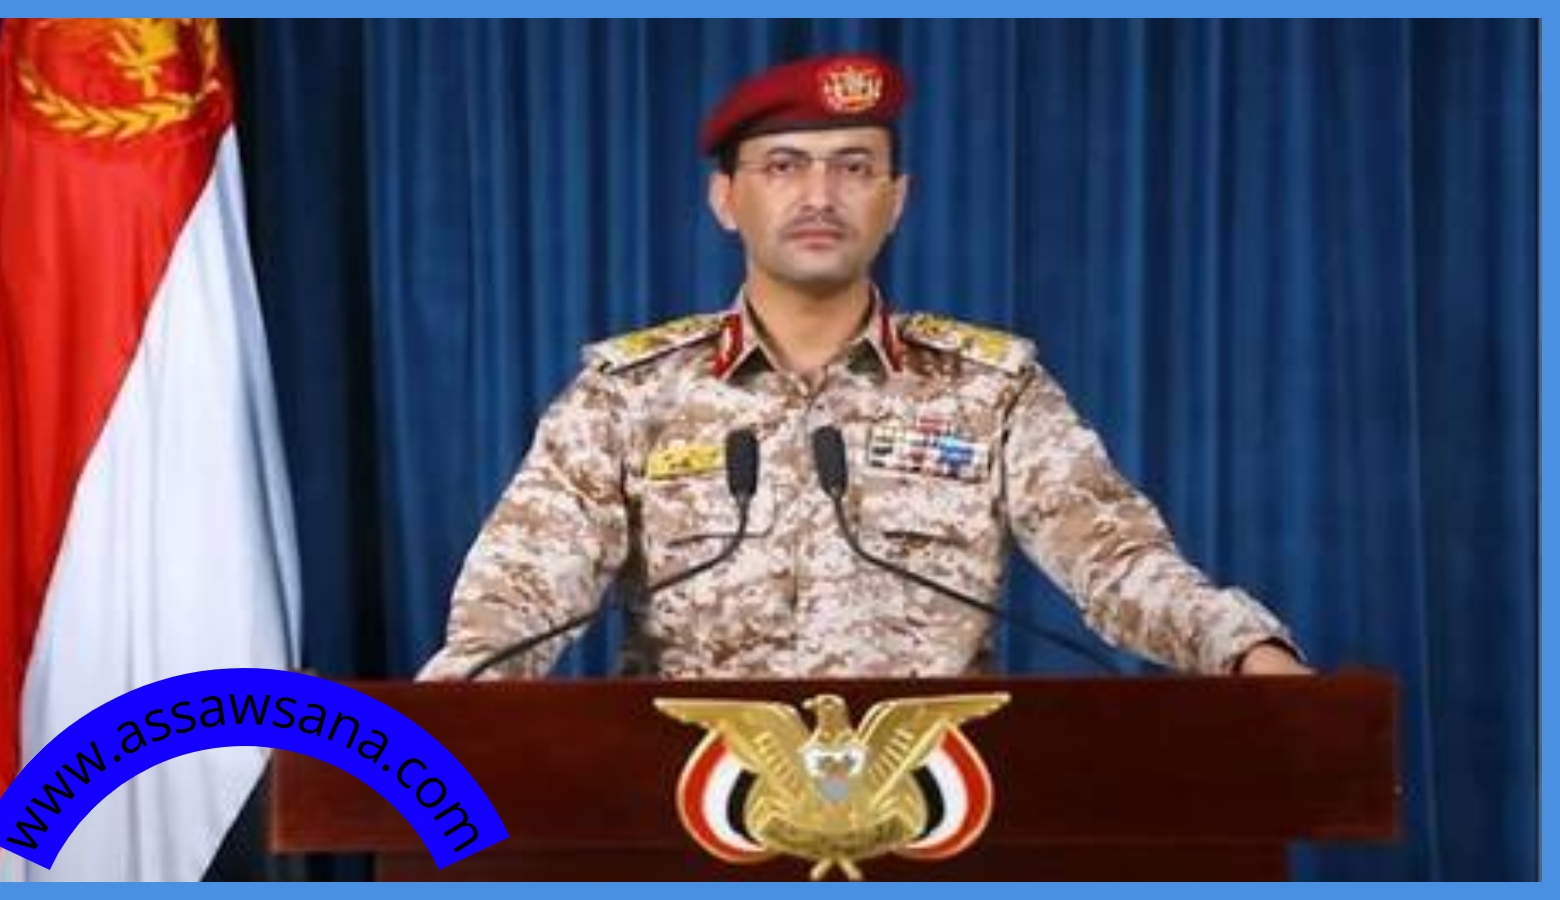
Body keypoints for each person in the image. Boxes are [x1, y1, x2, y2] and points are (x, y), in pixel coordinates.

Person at [417, 53, 1310, 681]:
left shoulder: (990, 392)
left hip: (939, 811)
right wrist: (461, 696)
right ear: (726, 199)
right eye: (783, 167)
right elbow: (523, 595)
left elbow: (1114, 561)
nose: (819, 196)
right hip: (688, 811)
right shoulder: (628, 397)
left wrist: (1242, 649)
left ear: (896, 200)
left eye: (853, 167)